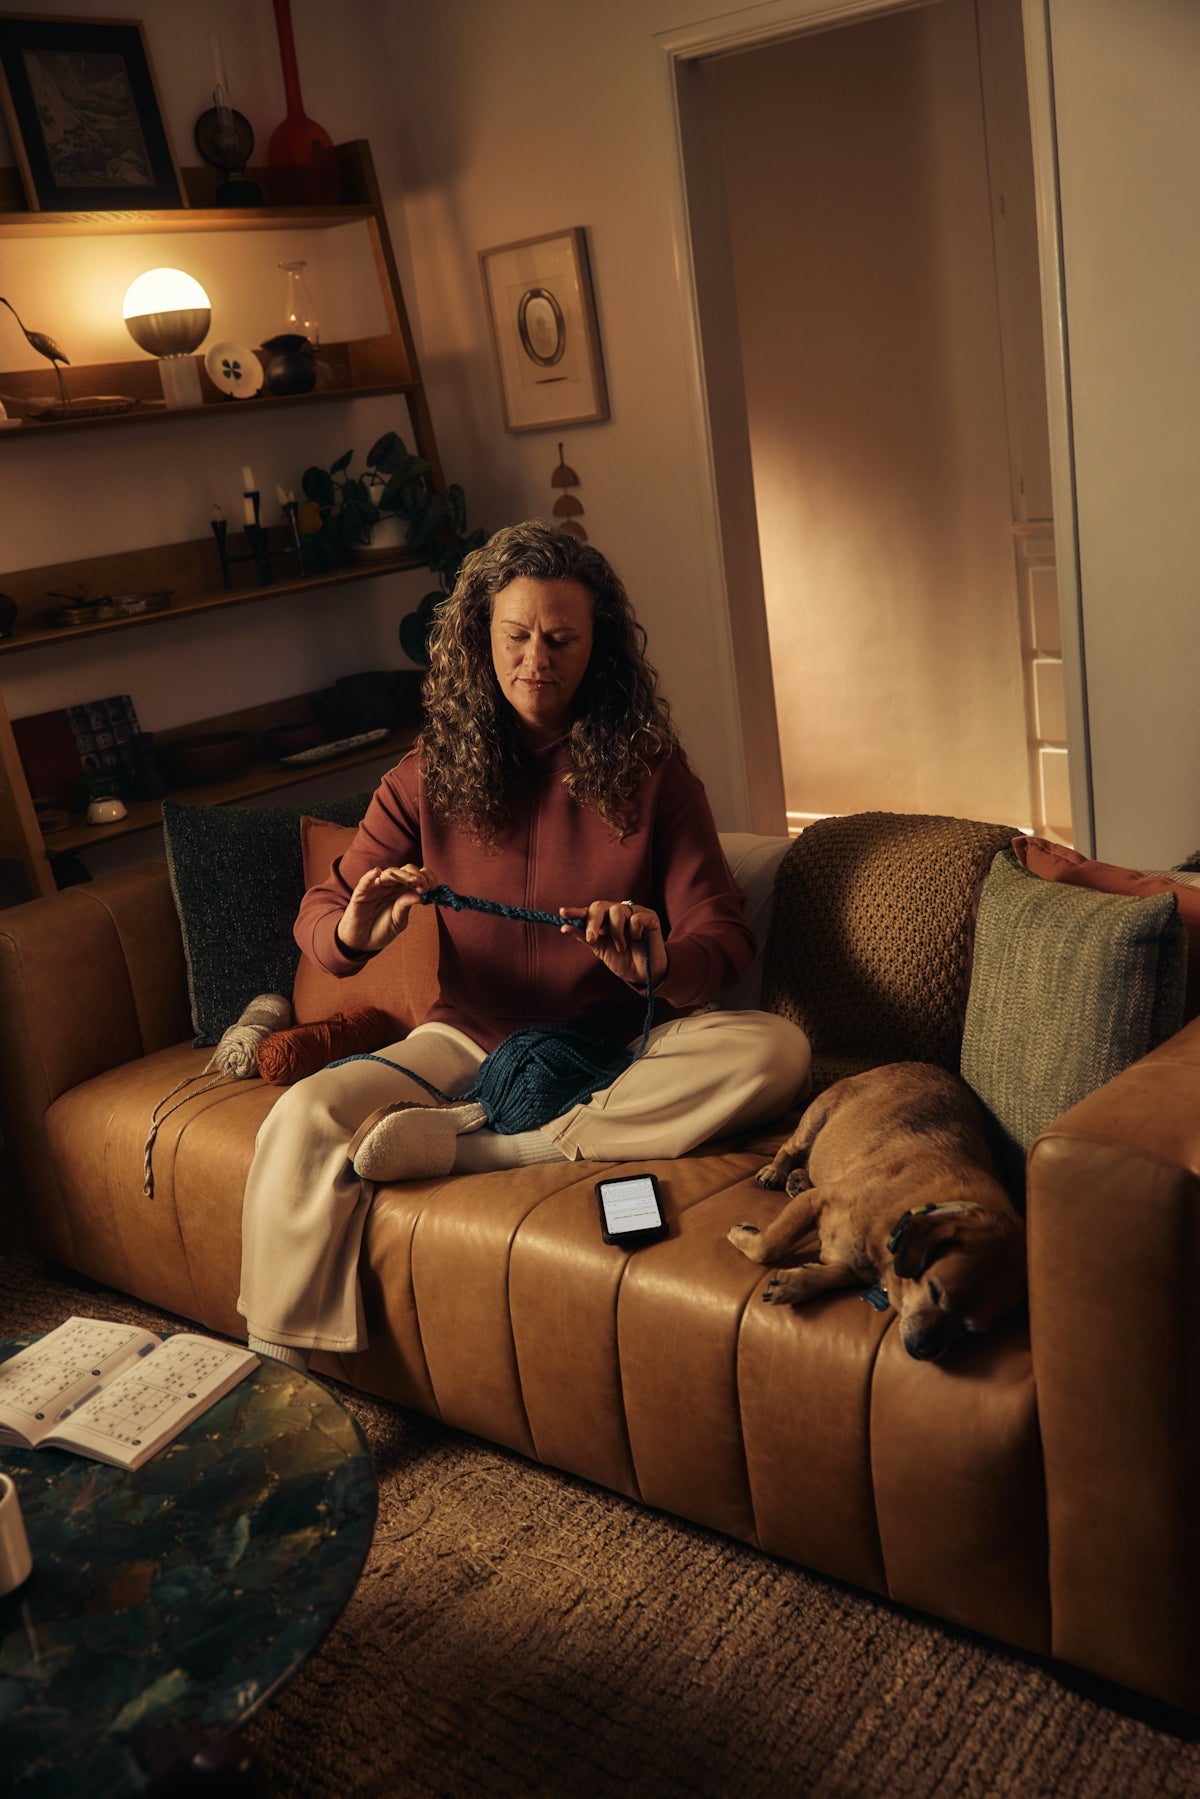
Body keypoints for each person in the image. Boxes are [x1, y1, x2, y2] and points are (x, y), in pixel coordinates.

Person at [238, 521, 811, 1367]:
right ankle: (279, 1376)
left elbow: (719, 935)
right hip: (465, 1038)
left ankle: (486, 1148)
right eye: (516, 635)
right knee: (302, 1115)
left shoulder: (655, 774)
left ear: (595, 647)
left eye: (560, 637)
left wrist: (659, 961)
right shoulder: (427, 773)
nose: (536, 657)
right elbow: (325, 907)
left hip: (617, 1047)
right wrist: (352, 928)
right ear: (481, 640)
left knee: (778, 1048)